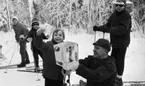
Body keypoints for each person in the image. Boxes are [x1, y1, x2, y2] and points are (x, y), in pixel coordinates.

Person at [93, 0, 132, 85]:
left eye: (120, 6)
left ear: (124, 6)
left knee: (119, 60)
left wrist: (110, 30)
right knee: (112, 60)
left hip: (122, 42)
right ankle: (113, 77)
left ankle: (119, 78)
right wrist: (99, 28)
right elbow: (108, 25)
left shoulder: (126, 16)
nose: (118, 7)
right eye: (117, 5)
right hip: (114, 42)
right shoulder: (114, 14)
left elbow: (122, 29)